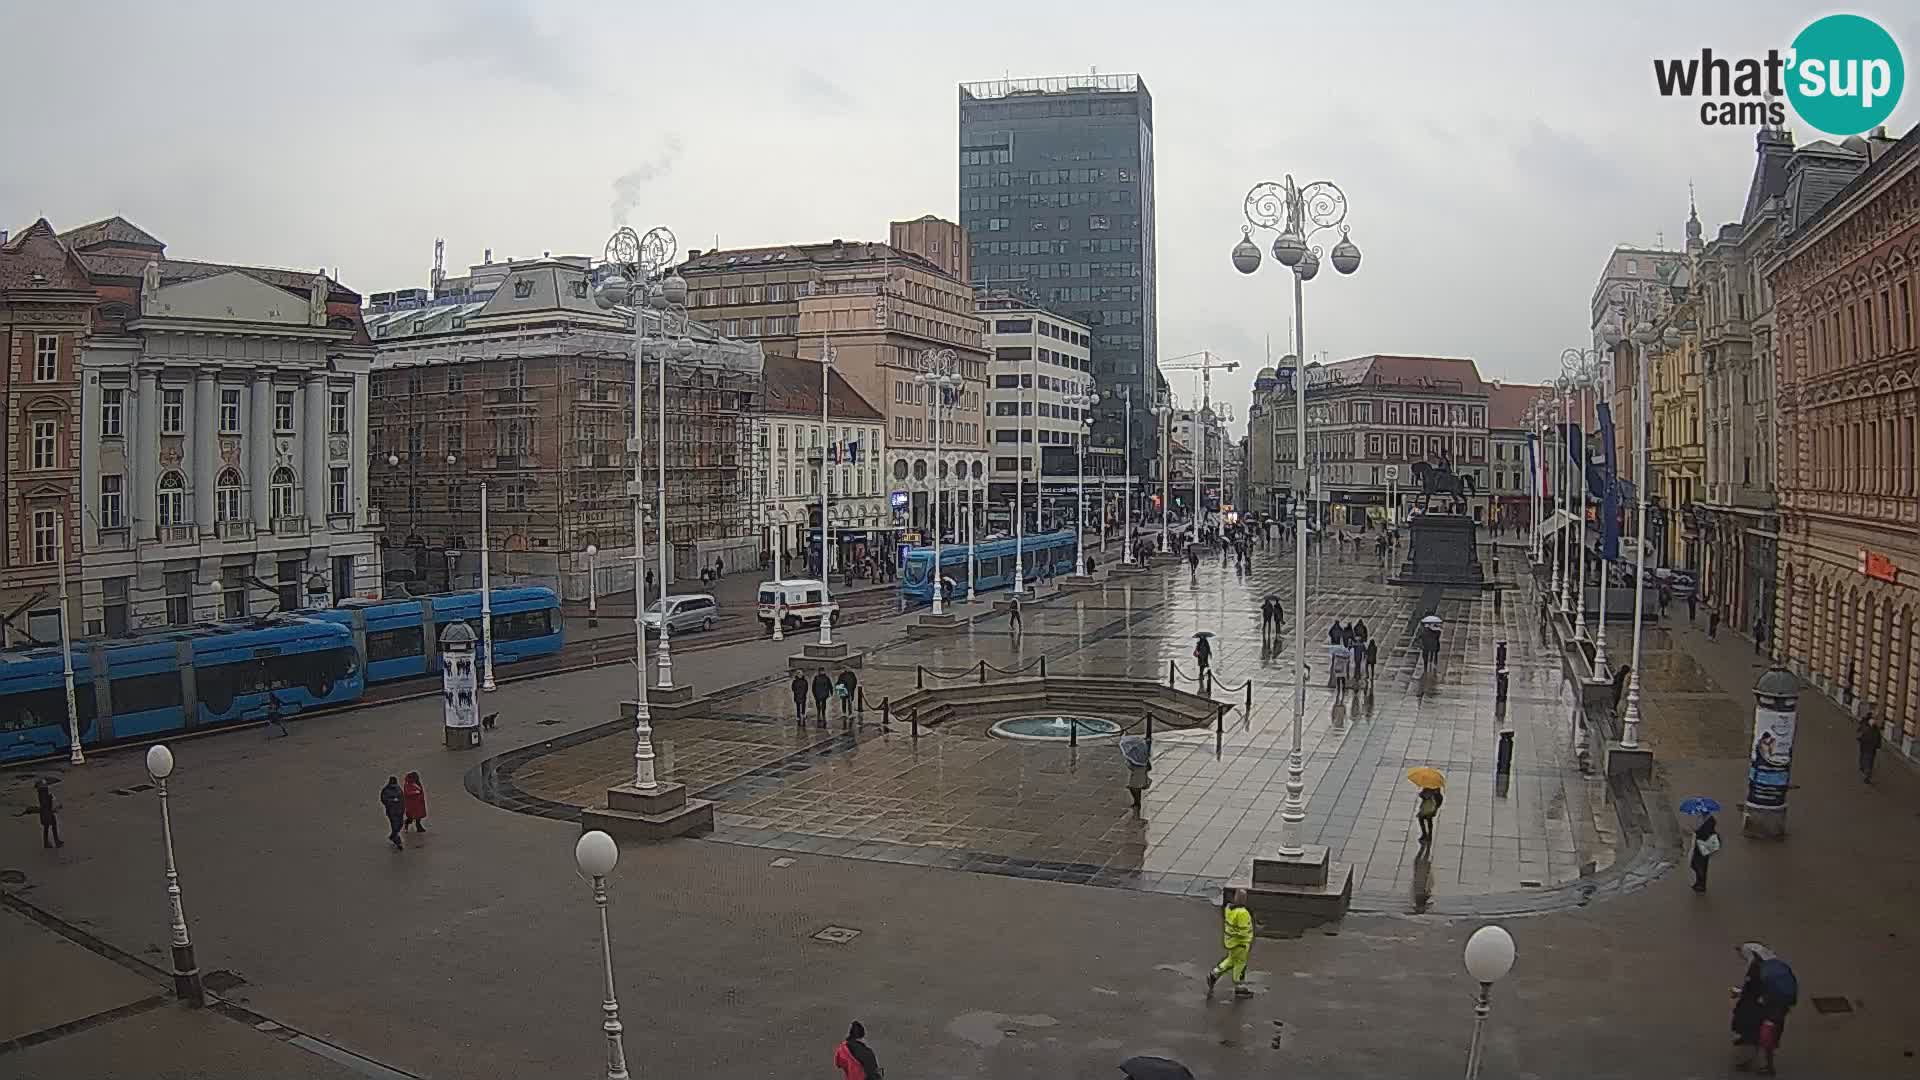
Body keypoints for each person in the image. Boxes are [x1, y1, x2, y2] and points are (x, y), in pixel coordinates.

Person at [1205, 888, 1255, 999]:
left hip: (1231, 942)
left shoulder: (1229, 908)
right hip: (1241, 943)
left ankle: (1214, 974)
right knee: (1240, 964)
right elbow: (1243, 930)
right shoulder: (1242, 913)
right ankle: (1239, 987)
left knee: (1231, 960)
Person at [1690, 813, 1719, 892]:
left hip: (1703, 847)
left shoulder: (1708, 821)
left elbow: (1704, 833)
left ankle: (1701, 885)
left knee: (1699, 865)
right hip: (1702, 847)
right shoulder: (1705, 819)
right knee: (1696, 864)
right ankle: (1699, 883)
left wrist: (1697, 832)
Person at [34, 778, 62, 849]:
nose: (46, 786)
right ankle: (56, 842)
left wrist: (49, 797)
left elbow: (44, 804)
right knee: (53, 826)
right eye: (45, 785)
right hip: (47, 813)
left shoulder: (41, 793)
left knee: (47, 827)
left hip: (45, 813)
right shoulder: (44, 793)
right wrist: (50, 799)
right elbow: (45, 804)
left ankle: (47, 843)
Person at [380, 776, 406, 851]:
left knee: (400, 824)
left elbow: (402, 799)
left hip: (400, 811)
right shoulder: (386, 790)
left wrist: (403, 808)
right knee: (395, 826)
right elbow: (384, 799)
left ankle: (393, 836)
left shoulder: (398, 789)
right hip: (391, 812)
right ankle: (398, 842)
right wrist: (392, 801)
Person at [1858, 716, 1883, 783]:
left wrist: (1878, 746)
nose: (1873, 722)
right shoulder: (1866, 727)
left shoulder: (1876, 730)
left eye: (1874, 721)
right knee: (1864, 760)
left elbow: (1878, 739)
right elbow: (1860, 733)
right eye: (1872, 721)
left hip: (1870, 749)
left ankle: (1867, 775)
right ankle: (1864, 769)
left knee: (1869, 762)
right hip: (1865, 748)